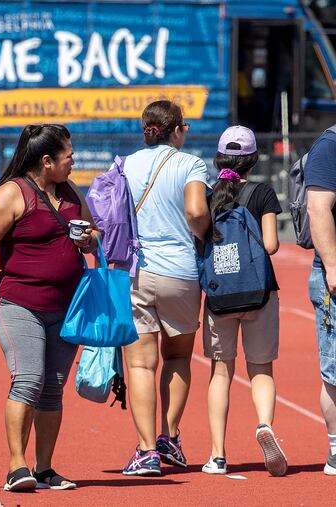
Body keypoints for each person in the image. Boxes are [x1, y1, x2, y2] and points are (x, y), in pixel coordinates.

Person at [0, 124, 99, 492]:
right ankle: (16, 467)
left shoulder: (70, 192)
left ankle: (45, 469)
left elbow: (94, 232)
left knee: (53, 388)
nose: (74, 160)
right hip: (20, 303)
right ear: (47, 160)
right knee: (29, 378)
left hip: (67, 306)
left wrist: (89, 239)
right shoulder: (12, 194)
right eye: (69, 155)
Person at [120, 100, 210, 476]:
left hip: (136, 270)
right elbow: (195, 211)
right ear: (177, 130)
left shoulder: (125, 164)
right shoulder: (190, 164)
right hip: (181, 273)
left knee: (140, 363)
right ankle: (169, 438)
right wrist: (203, 237)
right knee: (177, 358)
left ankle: (144, 452)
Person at [201, 126, 287, 476]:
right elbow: (271, 245)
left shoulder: (208, 195)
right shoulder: (262, 192)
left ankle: (217, 455)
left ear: (219, 158)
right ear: (253, 160)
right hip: (258, 294)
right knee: (261, 369)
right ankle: (264, 424)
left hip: (221, 296)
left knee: (221, 372)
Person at [304, 123, 336, 476]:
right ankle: (335, 450)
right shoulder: (329, 146)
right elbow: (318, 208)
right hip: (332, 276)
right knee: (335, 369)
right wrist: (332, 266)